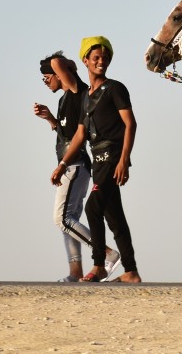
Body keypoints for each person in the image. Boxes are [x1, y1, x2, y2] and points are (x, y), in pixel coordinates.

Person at [51, 36, 141, 283]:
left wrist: (124, 160)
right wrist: (62, 164)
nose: (101, 62)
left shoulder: (115, 88)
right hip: (98, 159)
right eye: (96, 58)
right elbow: (80, 134)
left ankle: (99, 265)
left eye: (105, 58)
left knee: (92, 207)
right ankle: (131, 272)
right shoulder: (86, 98)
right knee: (115, 217)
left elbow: (130, 124)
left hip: (112, 157)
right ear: (86, 61)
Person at [33, 51, 120, 282]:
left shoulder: (76, 91)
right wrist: (51, 120)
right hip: (72, 165)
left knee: (61, 218)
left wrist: (67, 66)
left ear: (58, 75)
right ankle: (75, 272)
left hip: (74, 165)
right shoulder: (63, 100)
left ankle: (106, 253)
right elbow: (67, 135)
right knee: (68, 220)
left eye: (46, 78)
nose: (45, 82)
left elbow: (56, 62)